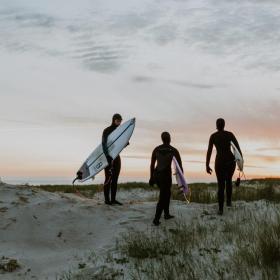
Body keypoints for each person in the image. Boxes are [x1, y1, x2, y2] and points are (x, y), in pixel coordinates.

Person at [206, 118, 242, 215]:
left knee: (221, 185)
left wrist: (207, 165)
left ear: (217, 125)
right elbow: (238, 148)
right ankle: (229, 202)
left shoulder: (213, 136)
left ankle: (221, 209)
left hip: (220, 162)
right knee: (229, 181)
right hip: (230, 160)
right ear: (224, 125)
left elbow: (209, 151)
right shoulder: (229, 134)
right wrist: (241, 161)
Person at [149, 132, 183, 226]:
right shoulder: (173, 150)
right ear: (170, 138)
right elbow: (180, 167)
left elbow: (152, 165)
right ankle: (156, 219)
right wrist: (181, 181)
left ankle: (166, 214)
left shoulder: (156, 149)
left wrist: (151, 177)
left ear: (162, 139)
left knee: (167, 193)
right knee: (163, 196)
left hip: (157, 175)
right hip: (165, 176)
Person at [102, 113, 123, 205]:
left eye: (120, 121)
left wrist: (125, 143)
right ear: (114, 120)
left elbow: (120, 145)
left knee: (115, 179)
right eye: (118, 121)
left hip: (116, 156)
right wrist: (108, 156)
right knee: (108, 178)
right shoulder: (107, 130)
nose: (119, 123)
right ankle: (107, 200)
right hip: (108, 157)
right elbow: (104, 144)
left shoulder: (120, 131)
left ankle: (113, 199)